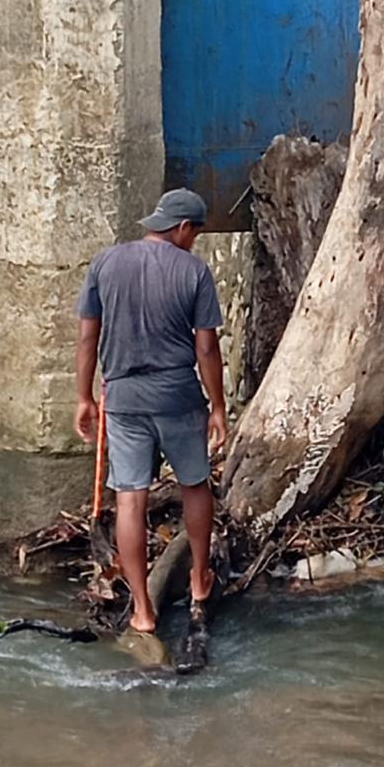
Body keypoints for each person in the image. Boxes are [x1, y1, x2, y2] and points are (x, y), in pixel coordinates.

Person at [74, 188, 227, 634]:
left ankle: (142, 609)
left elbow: (88, 339)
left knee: (130, 498)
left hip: (123, 401)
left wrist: (84, 397)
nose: (194, 241)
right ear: (182, 228)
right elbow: (207, 346)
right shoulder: (195, 272)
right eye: (195, 232)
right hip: (179, 397)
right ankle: (200, 579)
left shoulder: (104, 264)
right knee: (195, 485)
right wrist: (217, 406)